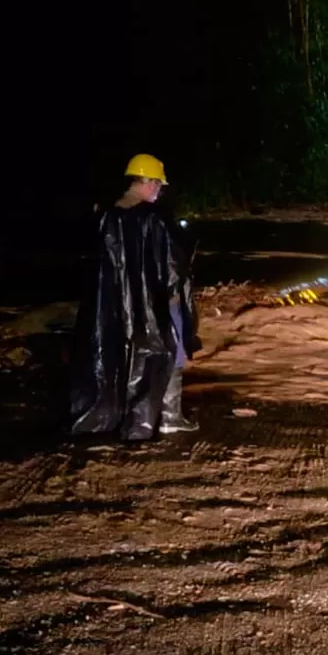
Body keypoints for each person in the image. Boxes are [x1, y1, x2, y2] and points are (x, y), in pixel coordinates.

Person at [69, 153, 201, 441]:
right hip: (155, 305)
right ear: (147, 181)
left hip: (116, 308)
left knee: (122, 357)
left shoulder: (104, 217)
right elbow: (173, 267)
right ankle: (168, 417)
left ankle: (121, 418)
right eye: (158, 184)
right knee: (168, 350)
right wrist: (178, 298)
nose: (159, 190)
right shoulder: (154, 219)